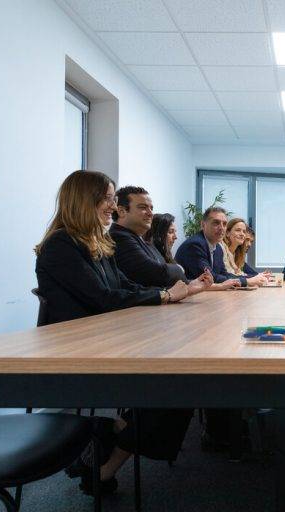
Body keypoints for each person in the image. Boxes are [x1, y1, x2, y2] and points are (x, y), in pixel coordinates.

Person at [35, 170, 190, 495]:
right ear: (85, 200)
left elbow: (125, 286)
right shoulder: (60, 245)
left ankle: (111, 436)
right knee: (177, 383)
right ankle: (108, 447)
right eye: (107, 198)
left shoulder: (97, 243)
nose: (113, 205)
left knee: (181, 378)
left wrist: (165, 295)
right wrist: (163, 295)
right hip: (79, 352)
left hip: (107, 341)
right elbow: (104, 298)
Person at [111, 186, 212, 292]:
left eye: (151, 208)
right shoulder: (119, 237)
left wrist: (190, 284)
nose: (150, 213)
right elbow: (155, 273)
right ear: (121, 211)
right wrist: (179, 269)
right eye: (143, 207)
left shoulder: (140, 240)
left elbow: (159, 279)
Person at [174, 206, 244, 290]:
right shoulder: (195, 244)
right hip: (187, 295)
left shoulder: (218, 248)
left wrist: (245, 280)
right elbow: (209, 278)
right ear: (203, 225)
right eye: (216, 223)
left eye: (224, 224)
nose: (221, 228)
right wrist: (245, 281)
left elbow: (223, 273)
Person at [222, 218, 269, 286]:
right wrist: (253, 278)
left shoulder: (237, 254)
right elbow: (226, 276)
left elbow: (240, 274)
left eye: (244, 231)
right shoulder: (221, 249)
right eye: (238, 230)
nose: (242, 234)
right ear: (227, 233)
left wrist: (258, 276)